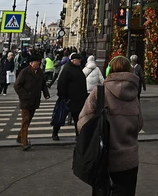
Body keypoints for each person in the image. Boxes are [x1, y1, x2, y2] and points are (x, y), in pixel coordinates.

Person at [79, 56, 143, 195]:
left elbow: (83, 122)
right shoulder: (133, 93)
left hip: (103, 157)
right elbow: (139, 124)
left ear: (109, 70)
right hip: (129, 159)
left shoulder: (100, 91)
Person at [14, 54, 49, 150]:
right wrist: (25, 95)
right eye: (37, 61)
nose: (39, 63)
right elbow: (17, 86)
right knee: (25, 120)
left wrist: (46, 94)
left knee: (28, 120)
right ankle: (24, 143)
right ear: (31, 63)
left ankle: (20, 136)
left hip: (35, 100)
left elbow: (43, 84)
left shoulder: (40, 72)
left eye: (39, 61)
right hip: (25, 101)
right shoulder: (25, 72)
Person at [53, 52, 87, 141]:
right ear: (74, 60)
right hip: (68, 98)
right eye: (78, 60)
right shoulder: (67, 69)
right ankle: (55, 132)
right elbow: (61, 83)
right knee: (61, 116)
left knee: (77, 118)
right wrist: (63, 96)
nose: (80, 61)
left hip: (77, 98)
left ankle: (78, 135)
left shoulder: (77, 68)